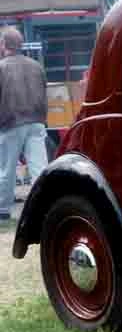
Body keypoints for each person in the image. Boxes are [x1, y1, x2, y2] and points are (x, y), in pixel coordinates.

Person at [0, 26, 49, 221]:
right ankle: (44, 206)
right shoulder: (36, 65)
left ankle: (2, 210)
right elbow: (45, 92)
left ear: (4, 44)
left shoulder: (1, 67)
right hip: (37, 121)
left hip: (11, 122)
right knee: (39, 167)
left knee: (6, 168)